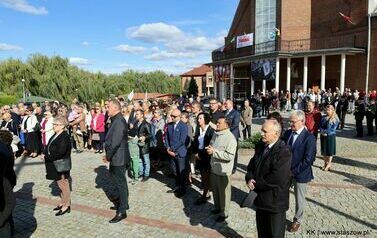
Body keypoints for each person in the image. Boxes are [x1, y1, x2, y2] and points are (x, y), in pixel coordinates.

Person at [245, 120, 291, 238]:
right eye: (261, 130)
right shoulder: (261, 145)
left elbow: (277, 178)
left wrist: (256, 184)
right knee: (262, 233)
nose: (261, 134)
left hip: (274, 203)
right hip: (260, 201)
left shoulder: (283, 151)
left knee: (275, 235)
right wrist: (249, 178)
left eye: (265, 131)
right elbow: (251, 166)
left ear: (276, 134)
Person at [283, 110, 316, 233]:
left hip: (300, 174)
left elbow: (308, 160)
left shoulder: (309, 138)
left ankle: (297, 220)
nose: (290, 124)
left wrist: (294, 171)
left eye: (293, 122)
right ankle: (281, 213)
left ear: (302, 122)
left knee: (299, 199)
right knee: (282, 193)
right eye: (290, 121)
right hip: (286, 172)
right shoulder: (287, 133)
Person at [103, 99, 130, 223]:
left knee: (121, 183)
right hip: (116, 157)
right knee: (118, 182)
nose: (106, 109)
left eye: (108, 107)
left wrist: (108, 156)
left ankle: (122, 211)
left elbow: (115, 142)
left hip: (119, 157)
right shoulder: (115, 119)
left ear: (115, 108)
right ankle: (122, 203)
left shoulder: (119, 121)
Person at [206, 117, 237, 223]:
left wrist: (214, 152)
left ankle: (224, 213)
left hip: (224, 171)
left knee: (224, 194)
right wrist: (210, 147)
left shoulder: (230, 138)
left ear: (226, 125)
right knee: (215, 191)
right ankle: (217, 208)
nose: (217, 124)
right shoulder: (216, 133)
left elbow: (229, 156)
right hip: (214, 168)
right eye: (217, 122)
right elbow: (212, 143)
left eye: (219, 123)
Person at [44, 116, 72, 216]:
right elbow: (49, 146)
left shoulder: (64, 136)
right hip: (54, 164)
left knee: (63, 185)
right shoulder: (56, 134)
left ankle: (66, 205)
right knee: (60, 185)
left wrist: (47, 157)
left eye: (56, 125)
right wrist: (46, 154)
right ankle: (62, 202)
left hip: (61, 164)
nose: (54, 126)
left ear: (63, 126)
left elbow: (61, 152)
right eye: (54, 124)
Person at [165, 109, 189, 198]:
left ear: (179, 117)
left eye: (173, 116)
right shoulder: (170, 125)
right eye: (171, 116)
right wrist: (167, 147)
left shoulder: (183, 126)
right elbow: (167, 138)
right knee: (175, 171)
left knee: (181, 171)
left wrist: (173, 149)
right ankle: (177, 186)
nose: (171, 117)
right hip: (171, 152)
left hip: (179, 153)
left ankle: (182, 188)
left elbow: (182, 141)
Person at [192, 112, 214, 205]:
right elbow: (196, 142)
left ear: (205, 119)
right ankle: (207, 193)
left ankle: (205, 195)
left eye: (201, 118)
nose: (198, 120)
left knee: (206, 176)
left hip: (207, 156)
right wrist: (196, 152)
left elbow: (211, 144)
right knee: (202, 176)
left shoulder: (210, 130)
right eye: (198, 118)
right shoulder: (198, 129)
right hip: (199, 155)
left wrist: (203, 153)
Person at [319, 105, 340, 171]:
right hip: (323, 135)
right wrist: (322, 131)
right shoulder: (323, 118)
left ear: (332, 110)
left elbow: (333, 129)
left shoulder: (335, 118)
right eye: (326, 110)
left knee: (330, 151)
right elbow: (320, 125)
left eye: (328, 110)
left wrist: (326, 132)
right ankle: (325, 163)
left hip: (330, 136)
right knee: (324, 150)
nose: (327, 111)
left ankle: (329, 164)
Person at [224, 99, 240, 174]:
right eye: (225, 104)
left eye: (226, 104)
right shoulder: (225, 113)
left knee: (234, 152)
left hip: (233, 135)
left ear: (231, 104)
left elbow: (235, 124)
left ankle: (234, 167)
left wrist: (226, 130)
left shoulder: (236, 113)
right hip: (226, 135)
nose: (225, 105)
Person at [135, 109, 151, 182]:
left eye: (138, 114)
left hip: (145, 145)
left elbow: (150, 135)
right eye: (136, 114)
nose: (136, 115)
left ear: (142, 115)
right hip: (137, 144)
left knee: (146, 161)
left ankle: (146, 175)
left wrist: (144, 137)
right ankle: (141, 172)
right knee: (139, 160)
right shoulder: (136, 123)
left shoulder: (146, 124)